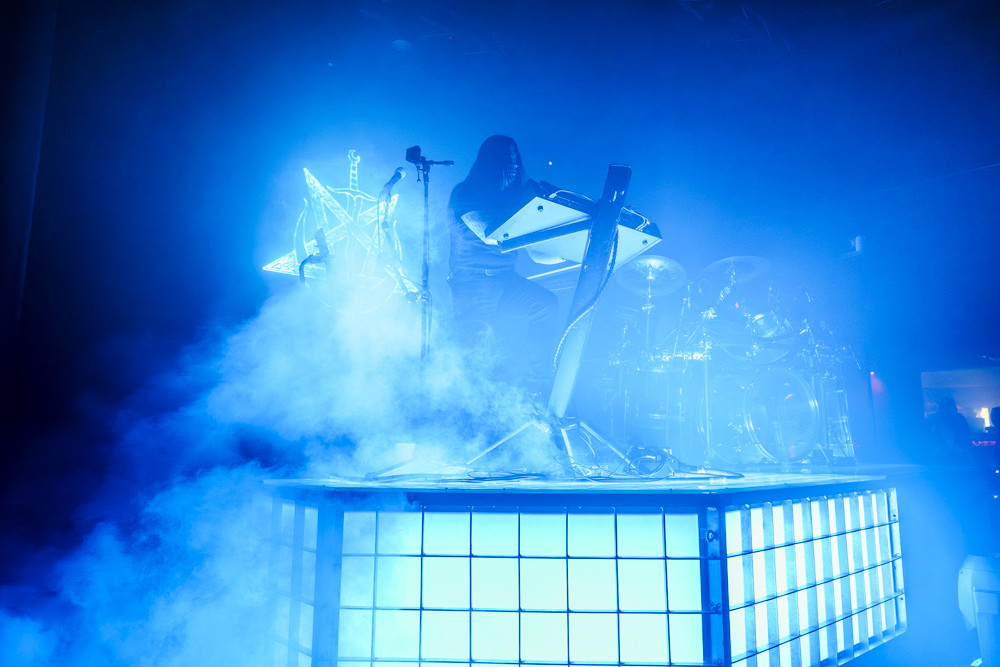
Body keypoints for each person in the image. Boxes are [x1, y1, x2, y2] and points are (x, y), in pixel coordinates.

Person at [447, 135, 560, 392]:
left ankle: (537, 382)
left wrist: (568, 248)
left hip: (505, 279)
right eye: (507, 159)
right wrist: (523, 203)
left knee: (546, 305)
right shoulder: (466, 193)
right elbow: (490, 235)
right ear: (491, 162)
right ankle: (472, 403)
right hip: (473, 283)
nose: (514, 165)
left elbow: (536, 254)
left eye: (516, 159)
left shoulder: (512, 198)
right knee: (479, 353)